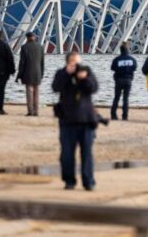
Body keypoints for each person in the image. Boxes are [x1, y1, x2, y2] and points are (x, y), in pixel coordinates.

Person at [52, 51, 99, 191]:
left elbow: (93, 88)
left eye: (78, 62)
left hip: (86, 120)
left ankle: (88, 181)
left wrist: (83, 78)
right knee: (66, 153)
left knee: (87, 153)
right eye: (73, 63)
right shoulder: (62, 73)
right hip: (67, 120)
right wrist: (67, 73)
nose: (76, 66)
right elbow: (55, 87)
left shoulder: (86, 72)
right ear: (67, 62)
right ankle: (69, 180)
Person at [17, 31, 45, 116]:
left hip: (27, 73)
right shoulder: (40, 47)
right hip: (38, 73)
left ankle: (30, 111)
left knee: (29, 92)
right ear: (34, 37)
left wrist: (19, 74)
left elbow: (22, 63)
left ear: (27, 38)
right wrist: (42, 73)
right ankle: (36, 111)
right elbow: (42, 62)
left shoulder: (24, 47)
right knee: (36, 92)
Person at [110, 42, 136, 121]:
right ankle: (125, 116)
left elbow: (112, 68)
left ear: (120, 50)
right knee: (126, 98)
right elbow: (134, 68)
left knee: (116, 98)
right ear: (127, 50)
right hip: (128, 80)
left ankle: (113, 115)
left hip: (119, 80)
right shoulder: (132, 59)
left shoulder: (117, 59)